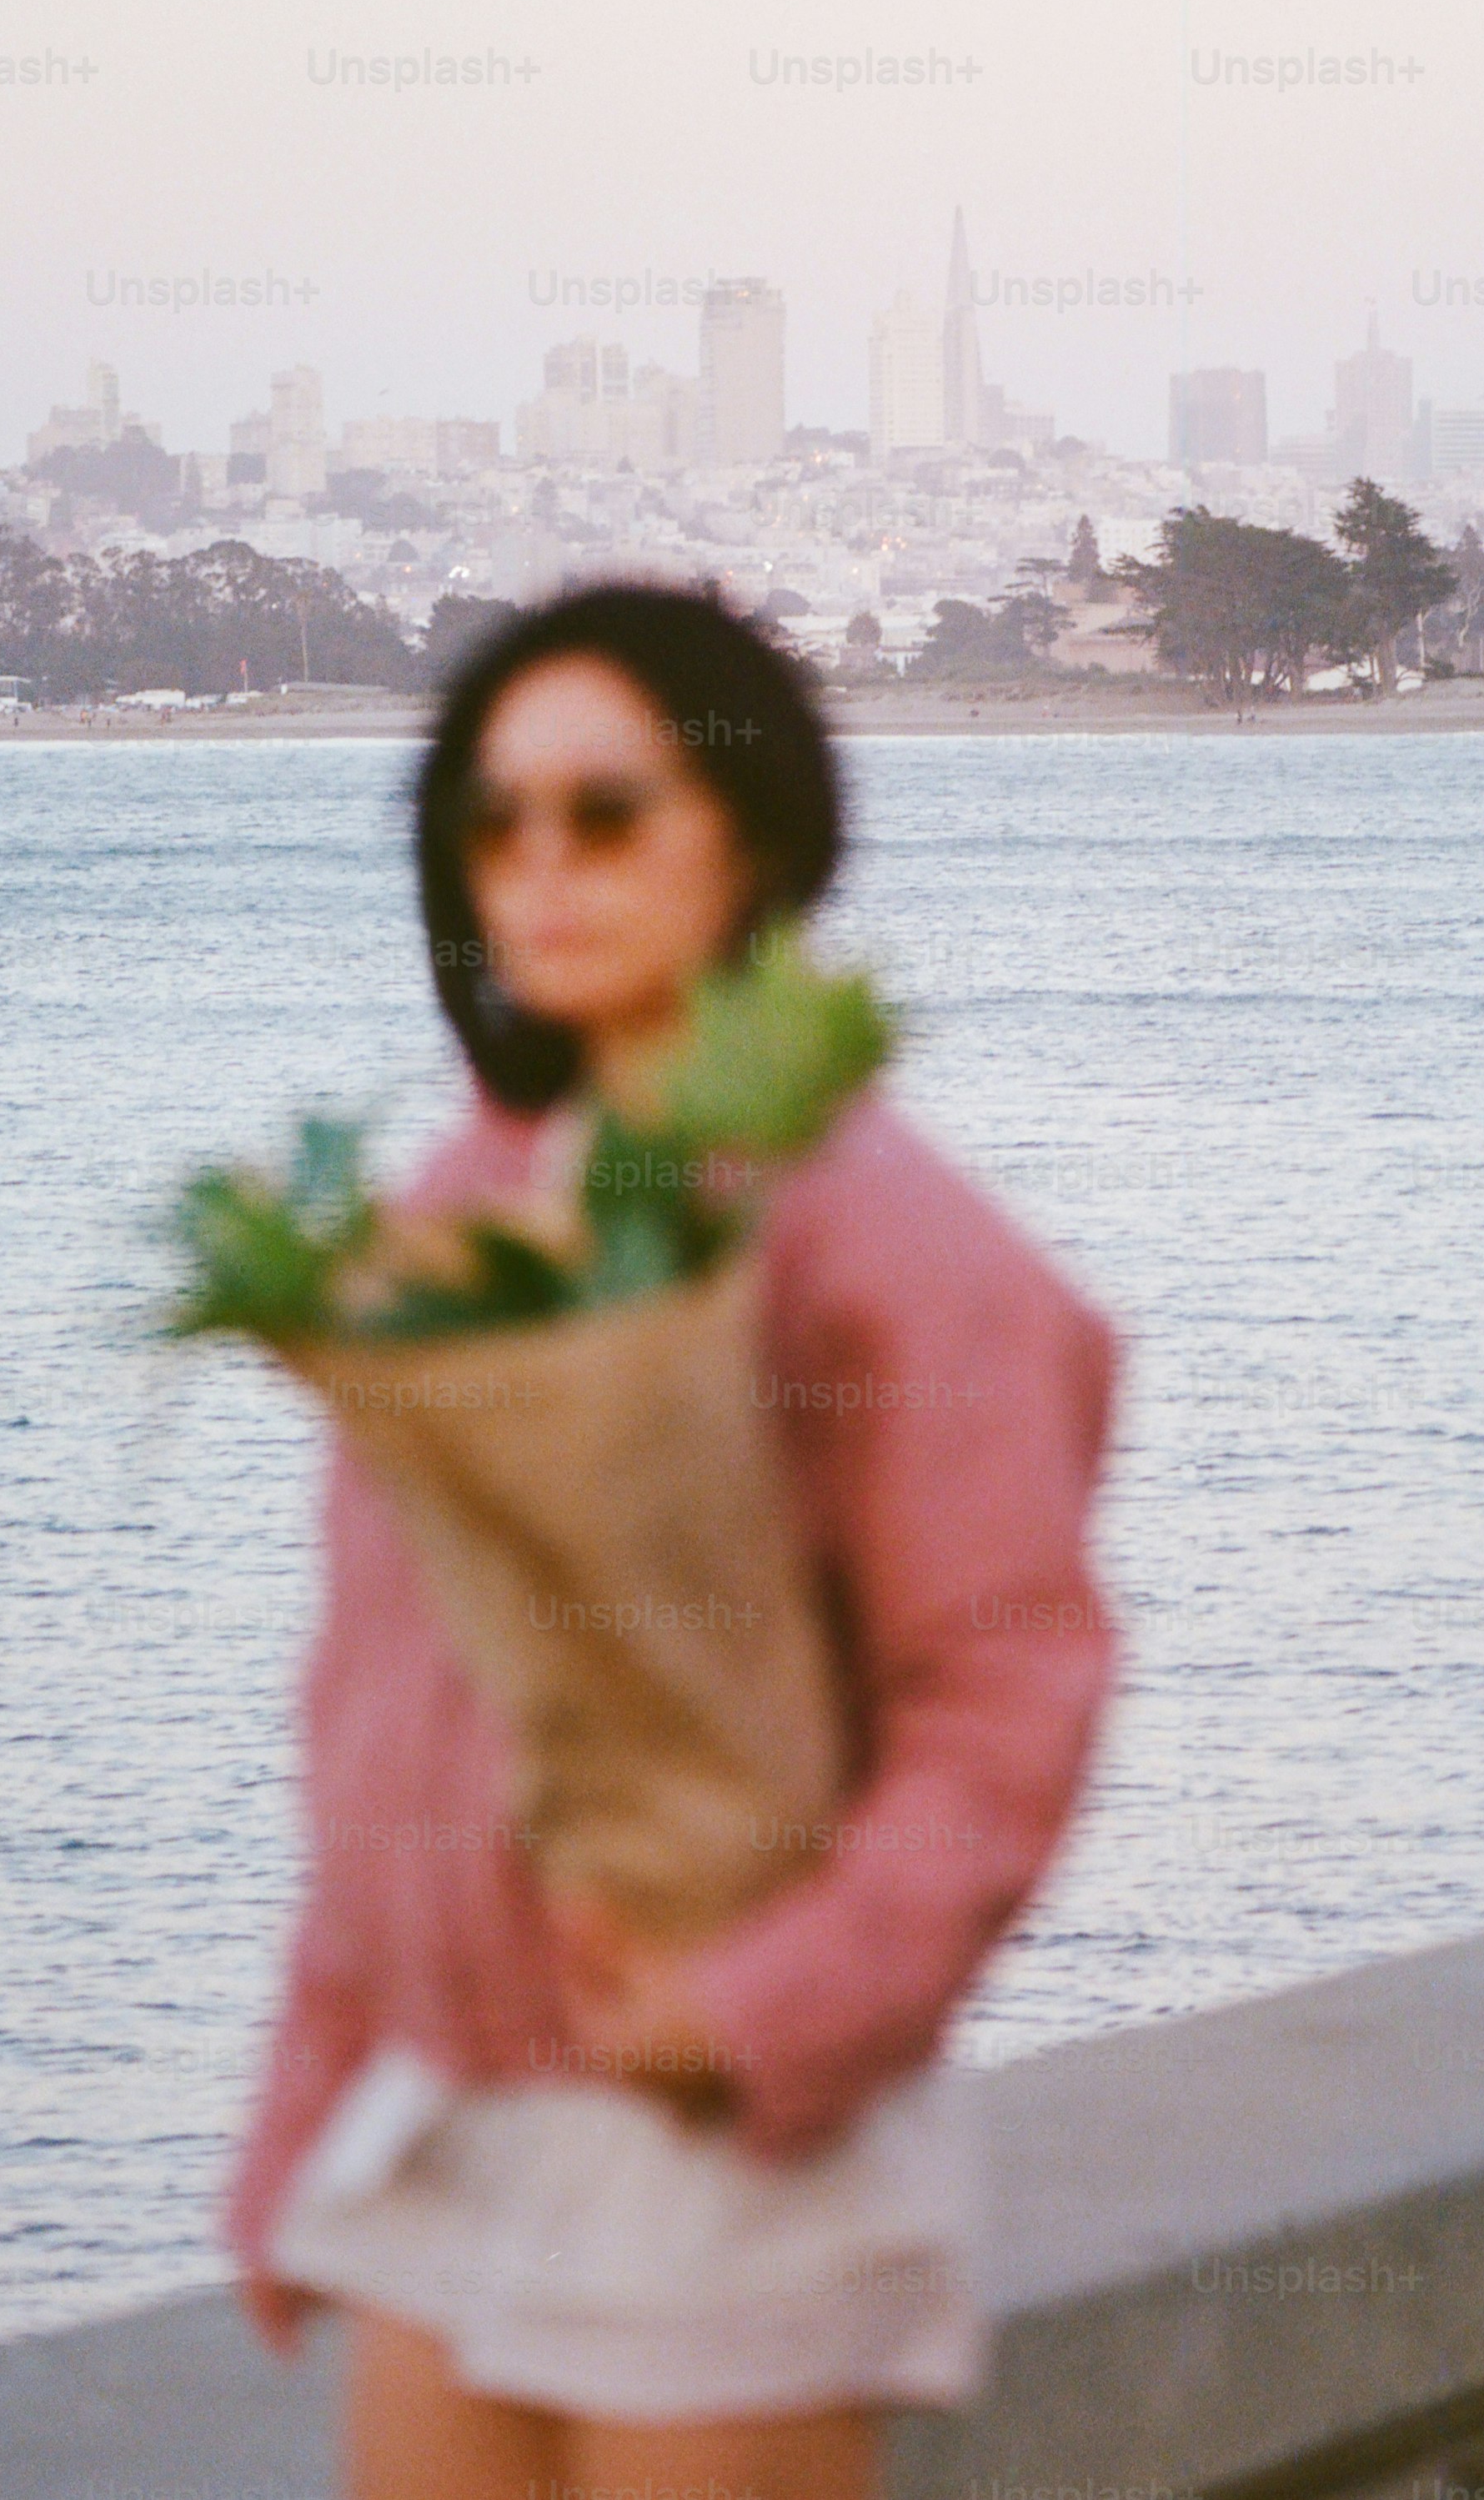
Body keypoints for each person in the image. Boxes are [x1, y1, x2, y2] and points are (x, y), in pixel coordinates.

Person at [221, 584, 1123, 2500]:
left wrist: (763, 2009)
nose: (541, 866)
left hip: (730, 2142)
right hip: (460, 2111)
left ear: (752, 838)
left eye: (606, 812)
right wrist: (315, 2089)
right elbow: (391, 1692)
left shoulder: (879, 1231)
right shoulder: (466, 1212)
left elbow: (1009, 1681)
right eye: (494, 818)